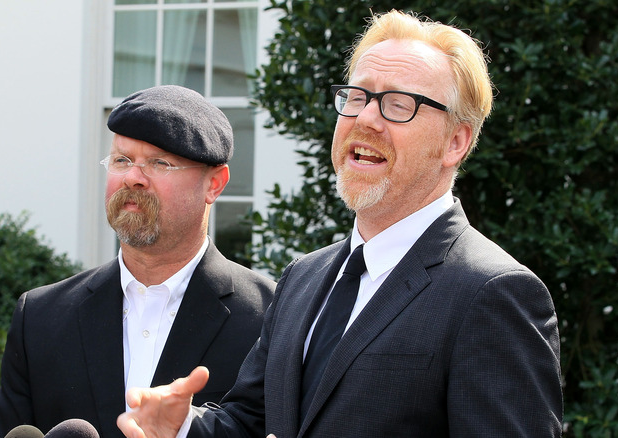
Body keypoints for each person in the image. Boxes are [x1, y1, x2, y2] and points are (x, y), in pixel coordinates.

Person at [117, 10, 563, 438]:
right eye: (357, 97)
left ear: (456, 141)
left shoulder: (494, 294)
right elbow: (256, 421)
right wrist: (182, 428)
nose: (366, 118)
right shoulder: (303, 278)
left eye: (398, 104)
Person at [0, 85, 276, 438]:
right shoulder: (39, 317)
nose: (132, 177)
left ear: (214, 184)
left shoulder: (271, 317)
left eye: (159, 163)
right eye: (122, 160)